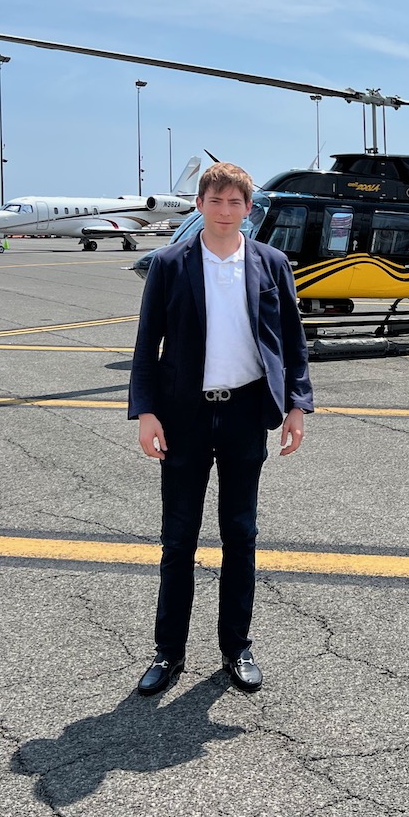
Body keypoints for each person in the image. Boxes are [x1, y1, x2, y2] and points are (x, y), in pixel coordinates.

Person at [128, 162, 313, 695]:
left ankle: (236, 647)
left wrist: (297, 405)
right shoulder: (169, 263)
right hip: (183, 416)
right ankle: (169, 652)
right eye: (216, 201)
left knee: (241, 535)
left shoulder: (272, 264)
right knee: (178, 539)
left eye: (235, 202)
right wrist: (146, 412)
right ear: (200, 205)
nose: (225, 210)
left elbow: (292, 343)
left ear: (248, 209)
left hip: (244, 414)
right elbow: (147, 346)